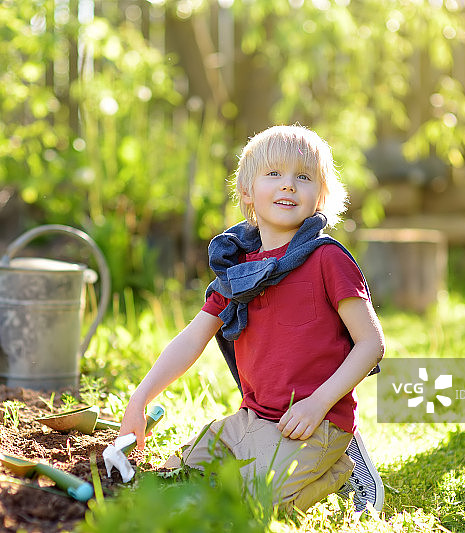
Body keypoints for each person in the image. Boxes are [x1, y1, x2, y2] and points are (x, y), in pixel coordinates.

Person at [117, 124, 385, 513]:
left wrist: (319, 403)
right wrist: (140, 397)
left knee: (253, 506)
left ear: (321, 197)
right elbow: (192, 339)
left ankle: (340, 467)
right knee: (176, 482)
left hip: (315, 420)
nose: (288, 184)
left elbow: (371, 344)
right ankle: (278, 462)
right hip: (252, 420)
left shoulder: (327, 259)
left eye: (303, 177)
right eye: (274, 173)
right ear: (247, 192)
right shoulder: (238, 271)